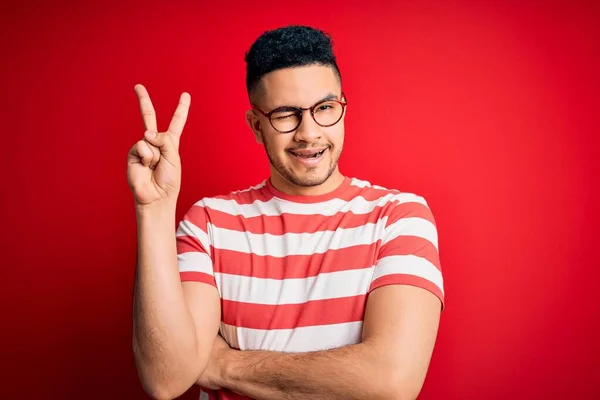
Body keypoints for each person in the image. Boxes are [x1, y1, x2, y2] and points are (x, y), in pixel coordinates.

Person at [127, 25, 444, 400]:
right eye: (285, 114)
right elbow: (166, 379)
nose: (309, 133)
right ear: (257, 126)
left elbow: (392, 381)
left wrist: (226, 365)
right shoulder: (209, 223)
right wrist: (155, 210)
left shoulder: (399, 217)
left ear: (343, 109)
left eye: (324, 108)